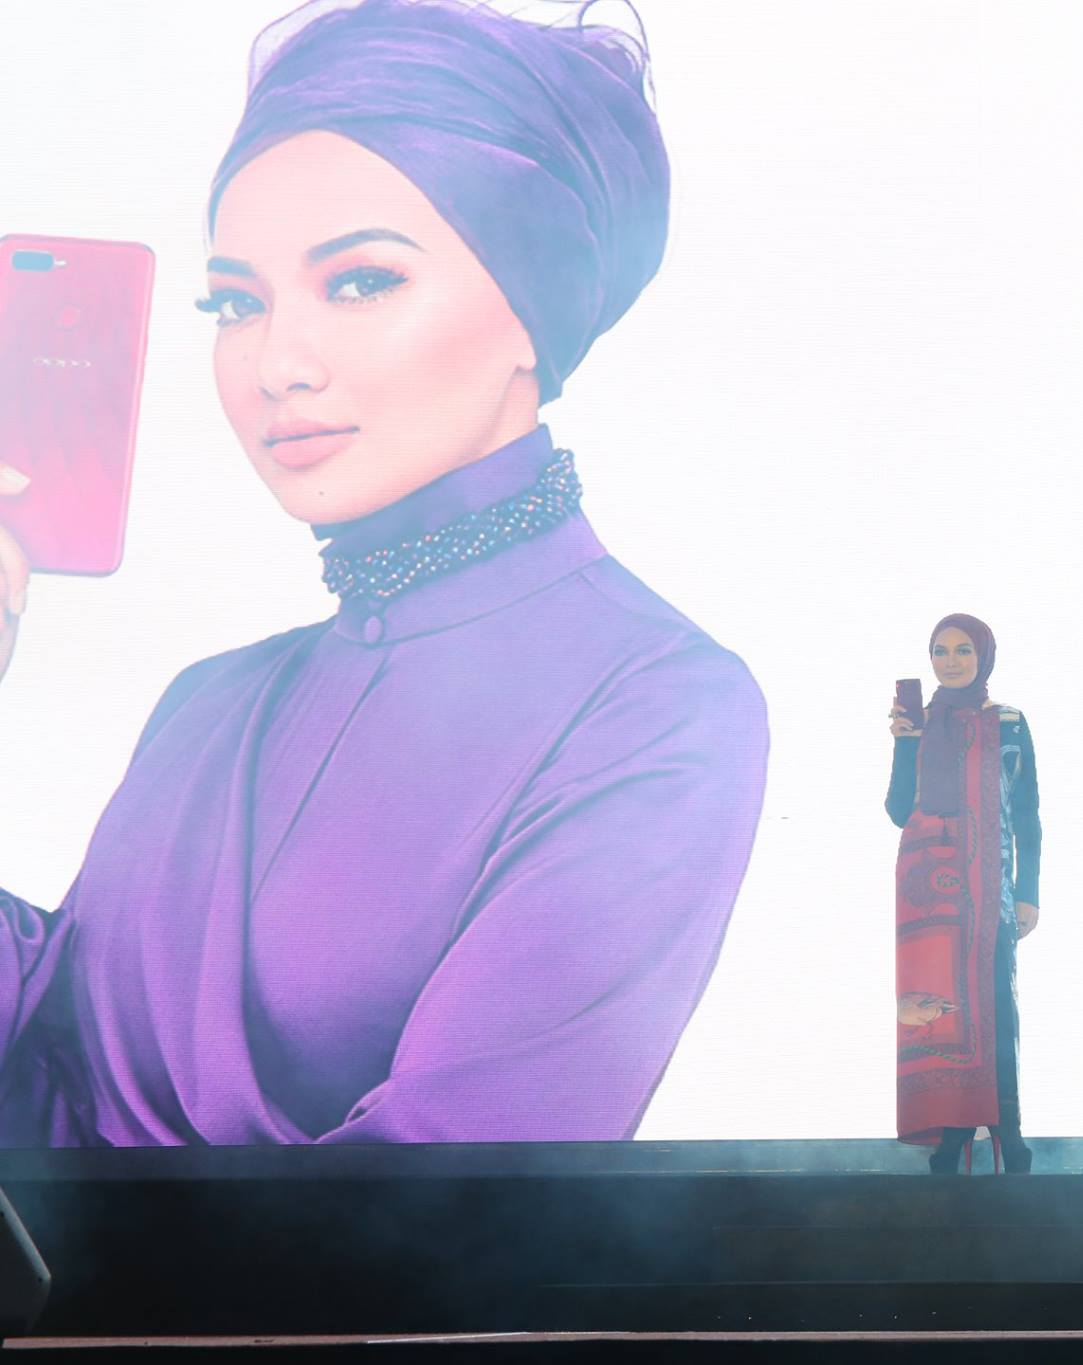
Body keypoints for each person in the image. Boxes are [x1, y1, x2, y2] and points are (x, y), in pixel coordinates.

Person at [0, 0, 768, 1145]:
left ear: (533, 305)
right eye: (236, 303)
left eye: (359, 281)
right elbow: (40, 1104)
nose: (277, 362)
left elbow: (456, 1194)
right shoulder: (206, 709)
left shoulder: (656, 703)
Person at [886, 613, 1039, 1174]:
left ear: (983, 657)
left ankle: (1008, 1131)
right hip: (929, 897)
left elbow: (1027, 812)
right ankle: (951, 1134)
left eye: (962, 650)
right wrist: (905, 745)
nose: (950, 661)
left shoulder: (1009, 722)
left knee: (995, 1011)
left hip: (991, 890)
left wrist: (1028, 892)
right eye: (940, 651)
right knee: (943, 1014)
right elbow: (899, 810)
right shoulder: (922, 723)